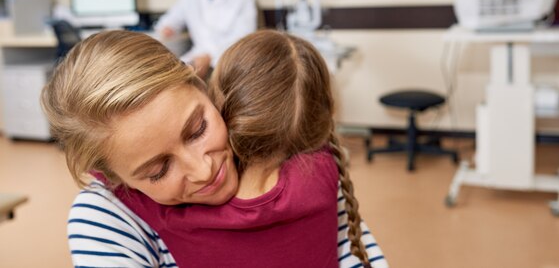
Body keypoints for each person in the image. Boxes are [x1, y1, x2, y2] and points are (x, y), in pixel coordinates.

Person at [41, 30, 387, 268]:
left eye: (198, 130)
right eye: (158, 171)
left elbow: (353, 248)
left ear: (203, 85)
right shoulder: (106, 218)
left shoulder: (279, 148)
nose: (203, 170)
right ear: (115, 179)